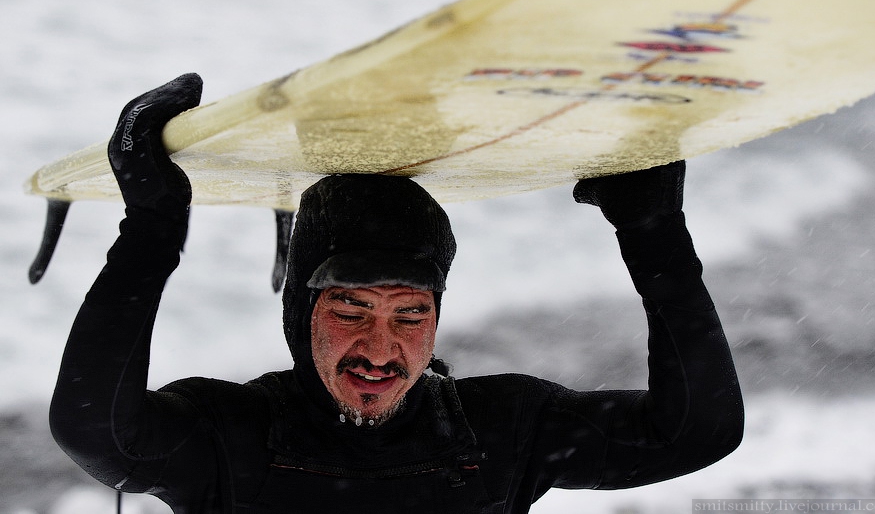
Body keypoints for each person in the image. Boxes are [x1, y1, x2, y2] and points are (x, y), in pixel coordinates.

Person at [49, 74, 743, 513]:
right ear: (301, 312)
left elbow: (696, 432)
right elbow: (98, 433)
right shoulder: (230, 440)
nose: (381, 347)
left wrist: (652, 230)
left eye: (411, 313)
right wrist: (153, 226)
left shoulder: (500, 434)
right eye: (351, 307)